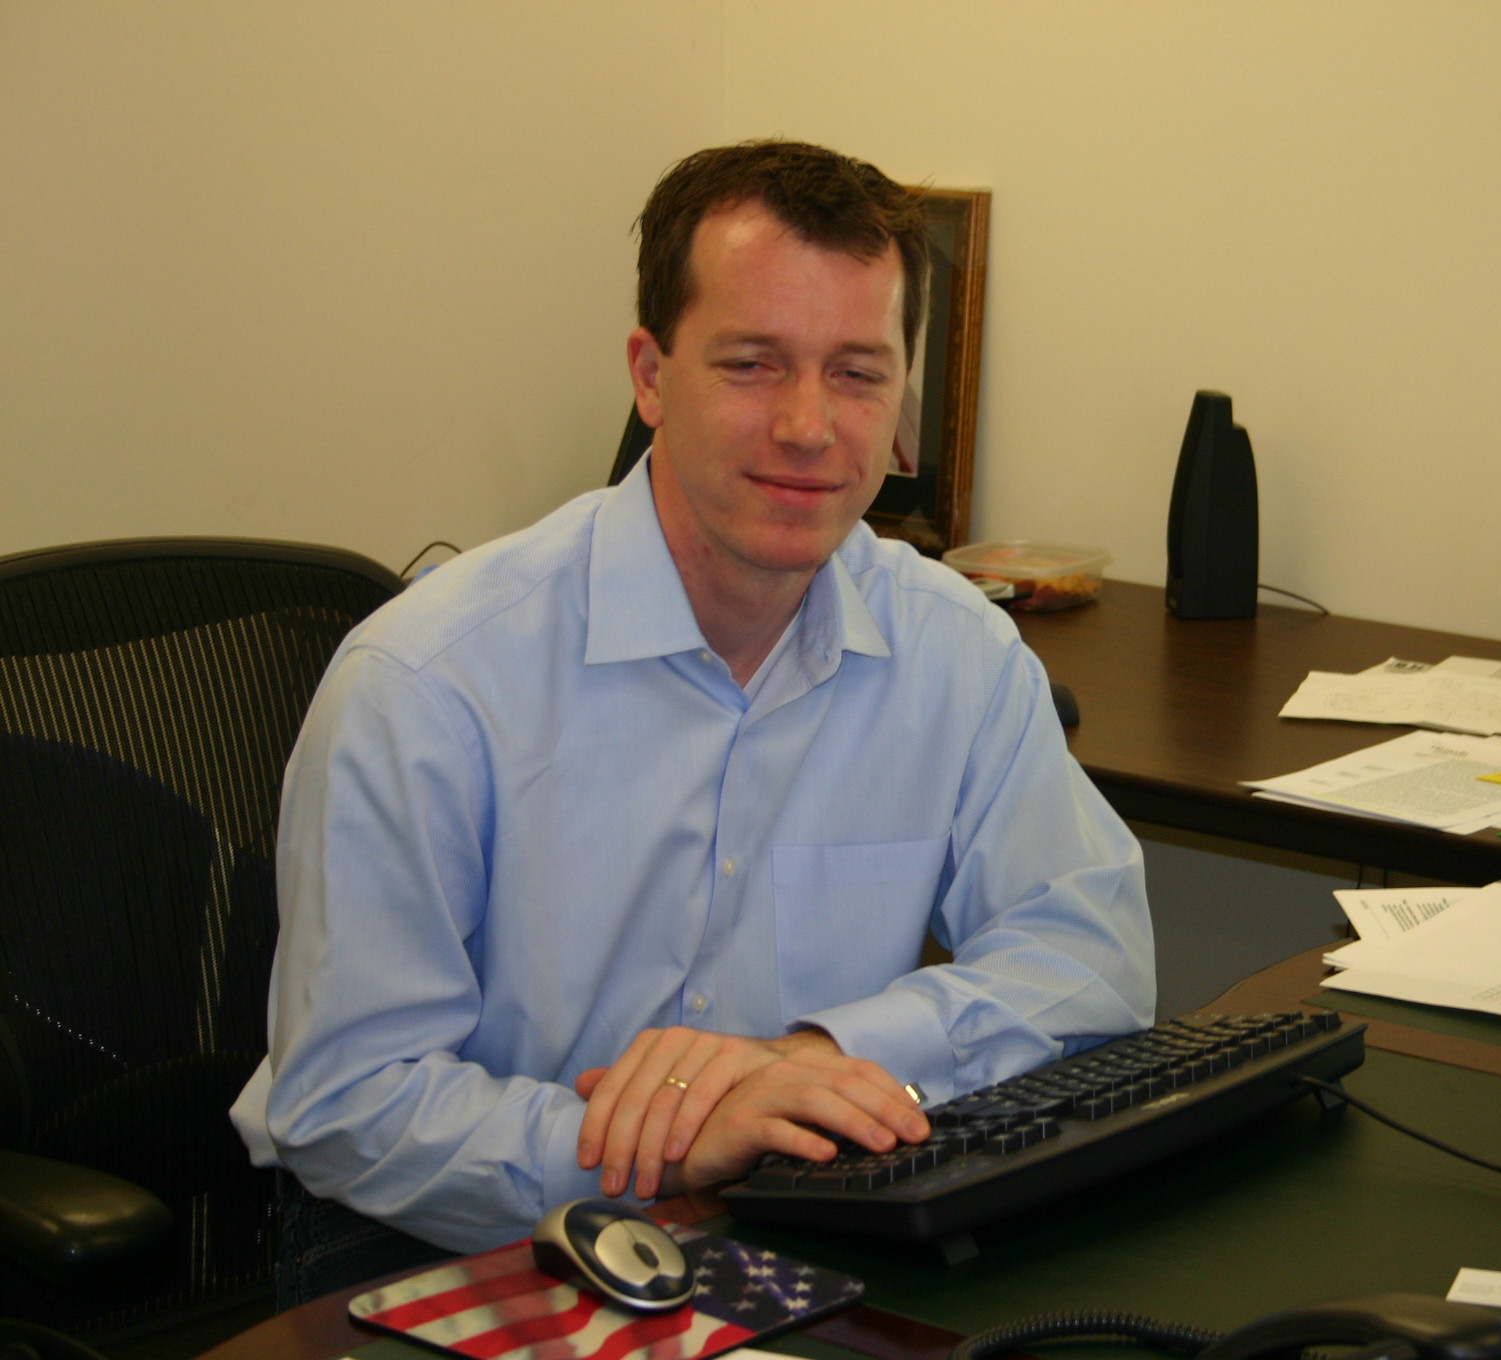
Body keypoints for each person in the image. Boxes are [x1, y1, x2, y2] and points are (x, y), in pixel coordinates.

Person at [230, 140, 1154, 1303]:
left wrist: (806, 1056)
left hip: (787, 1219)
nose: (809, 425)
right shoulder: (429, 681)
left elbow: (1090, 957)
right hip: (453, 1242)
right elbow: (347, 1101)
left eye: (857, 372)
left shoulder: (951, 649)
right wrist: (673, 1140)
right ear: (651, 375)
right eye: (753, 364)